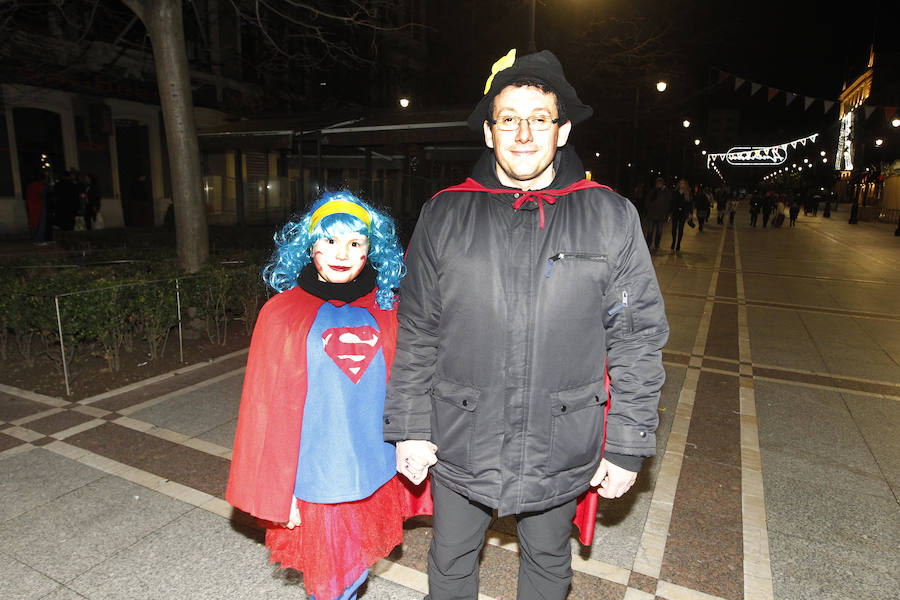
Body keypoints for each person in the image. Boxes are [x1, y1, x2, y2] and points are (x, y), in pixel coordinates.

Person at [383, 49, 669, 600]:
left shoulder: (609, 215)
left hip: (561, 436)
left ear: (561, 132)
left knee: (547, 562)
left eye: (539, 119)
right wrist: (411, 426)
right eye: (508, 119)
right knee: (450, 562)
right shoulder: (445, 212)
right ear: (489, 133)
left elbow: (636, 336)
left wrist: (628, 443)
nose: (523, 133)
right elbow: (417, 327)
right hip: (460, 432)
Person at [226, 191, 425, 600]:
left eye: (356, 242)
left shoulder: (389, 308)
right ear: (309, 245)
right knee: (332, 581)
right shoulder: (281, 313)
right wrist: (280, 492)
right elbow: (266, 408)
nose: (342, 253)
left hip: (374, 469)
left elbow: (408, 384)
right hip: (316, 476)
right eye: (330, 241)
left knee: (352, 569)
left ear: (372, 249)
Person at [643, 176, 671, 251]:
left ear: (662, 184)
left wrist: (667, 212)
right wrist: (648, 209)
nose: (659, 184)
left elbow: (668, 202)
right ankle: (648, 244)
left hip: (661, 215)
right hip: (652, 214)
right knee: (650, 231)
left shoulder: (666, 192)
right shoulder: (652, 191)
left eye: (660, 183)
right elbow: (647, 201)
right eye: (658, 183)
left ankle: (656, 244)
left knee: (659, 231)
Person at [670, 178, 693, 252]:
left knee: (681, 229)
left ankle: (678, 244)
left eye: (683, 183)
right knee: (673, 229)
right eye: (680, 183)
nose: (682, 184)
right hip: (675, 212)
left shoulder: (687, 193)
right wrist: (669, 212)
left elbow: (690, 204)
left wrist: (690, 213)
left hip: (683, 213)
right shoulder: (675, 192)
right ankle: (673, 242)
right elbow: (672, 202)